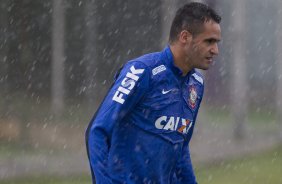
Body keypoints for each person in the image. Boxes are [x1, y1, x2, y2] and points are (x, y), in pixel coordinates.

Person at [86, 2, 221, 184]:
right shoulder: (142, 72)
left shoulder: (195, 85)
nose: (215, 50)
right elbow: (97, 131)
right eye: (209, 41)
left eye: (216, 43)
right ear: (185, 37)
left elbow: (179, 149)